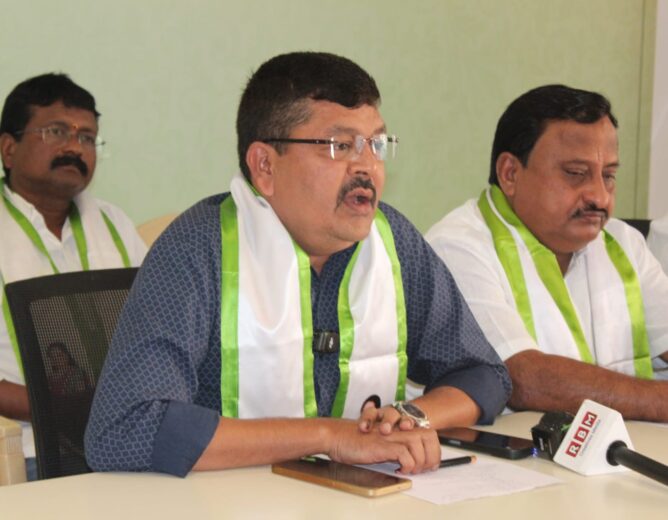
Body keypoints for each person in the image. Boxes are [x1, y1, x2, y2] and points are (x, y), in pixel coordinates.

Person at [85, 52, 511, 478]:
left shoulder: (393, 241)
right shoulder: (200, 248)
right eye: (340, 146)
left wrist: (408, 419)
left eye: (377, 145)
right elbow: (126, 429)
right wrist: (330, 436)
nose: (367, 167)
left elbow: (483, 374)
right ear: (265, 166)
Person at [426, 84, 668, 420]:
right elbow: (522, 378)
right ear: (510, 173)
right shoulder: (456, 248)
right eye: (576, 174)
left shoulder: (622, 242)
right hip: (511, 452)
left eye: (609, 175)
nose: (599, 196)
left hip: (623, 446)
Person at [0, 73, 147, 479]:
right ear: (8, 148)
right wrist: (62, 408)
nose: (74, 147)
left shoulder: (114, 223)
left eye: (87, 137)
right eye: (56, 132)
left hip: (128, 441)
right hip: (30, 450)